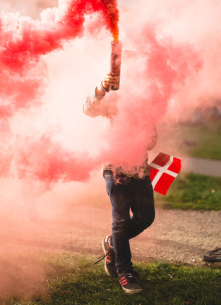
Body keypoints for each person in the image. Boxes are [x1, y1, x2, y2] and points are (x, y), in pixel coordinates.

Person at [83, 73, 156, 294]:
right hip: (114, 167)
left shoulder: (144, 103)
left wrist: (143, 135)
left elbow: (152, 140)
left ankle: (112, 243)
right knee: (121, 221)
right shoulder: (110, 98)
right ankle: (124, 270)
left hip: (139, 167)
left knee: (146, 216)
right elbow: (89, 109)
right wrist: (102, 88)